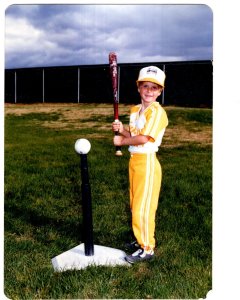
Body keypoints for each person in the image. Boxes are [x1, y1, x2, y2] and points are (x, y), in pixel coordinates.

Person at [112, 66, 168, 264]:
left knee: (143, 207)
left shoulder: (157, 112)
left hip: (148, 163)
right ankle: (139, 240)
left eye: (155, 88)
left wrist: (122, 142)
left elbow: (143, 139)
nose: (149, 91)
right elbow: (133, 135)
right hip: (134, 161)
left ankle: (147, 248)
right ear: (138, 87)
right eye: (146, 86)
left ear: (160, 91)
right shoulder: (135, 110)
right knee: (135, 203)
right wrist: (122, 131)